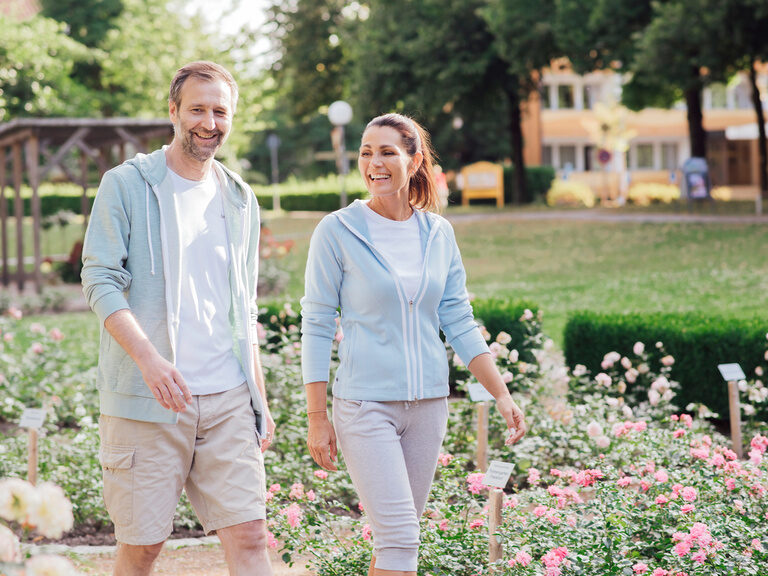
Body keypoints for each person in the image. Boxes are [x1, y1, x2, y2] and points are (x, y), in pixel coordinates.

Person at [301, 113, 526, 576]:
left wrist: (500, 393)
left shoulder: (437, 233)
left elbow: (459, 319)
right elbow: (318, 324)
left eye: (387, 152)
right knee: (401, 539)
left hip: (428, 406)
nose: (374, 163)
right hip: (365, 405)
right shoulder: (337, 231)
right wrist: (317, 417)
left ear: (414, 159)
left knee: (398, 540)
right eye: (366, 152)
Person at [81, 61, 275, 576]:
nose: (209, 122)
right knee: (142, 547)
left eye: (220, 111)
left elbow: (243, 304)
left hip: (228, 398)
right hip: (148, 400)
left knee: (252, 536)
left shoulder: (239, 198)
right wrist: (149, 361)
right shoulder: (125, 185)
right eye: (197, 109)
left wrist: (258, 396)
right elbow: (100, 280)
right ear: (173, 111)